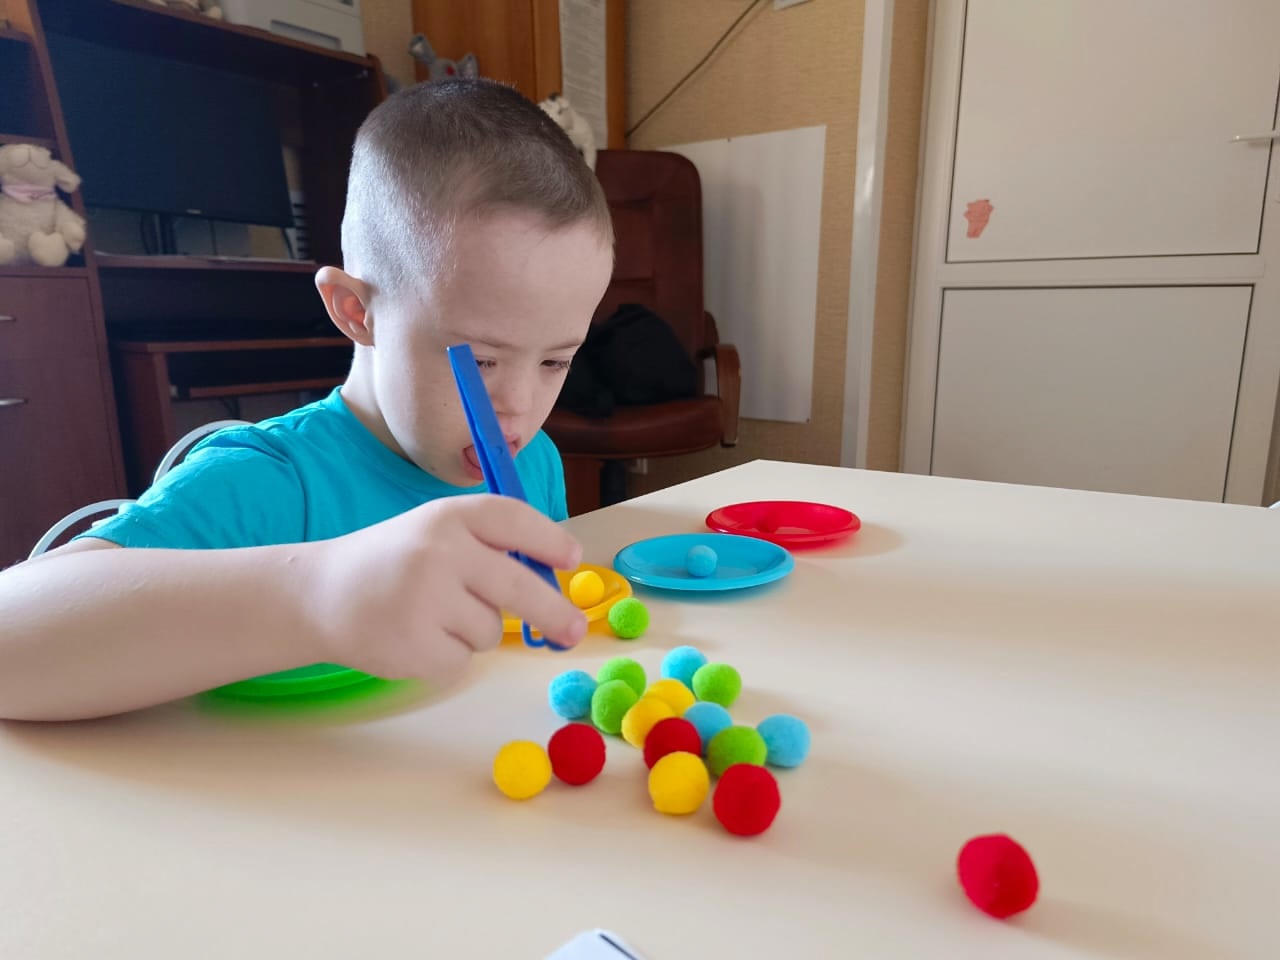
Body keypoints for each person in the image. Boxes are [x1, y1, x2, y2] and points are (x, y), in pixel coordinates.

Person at [0, 78, 616, 722]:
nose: (518, 408)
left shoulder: (535, 463)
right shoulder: (265, 484)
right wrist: (317, 594)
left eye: (555, 361)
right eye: (481, 361)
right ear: (355, 310)